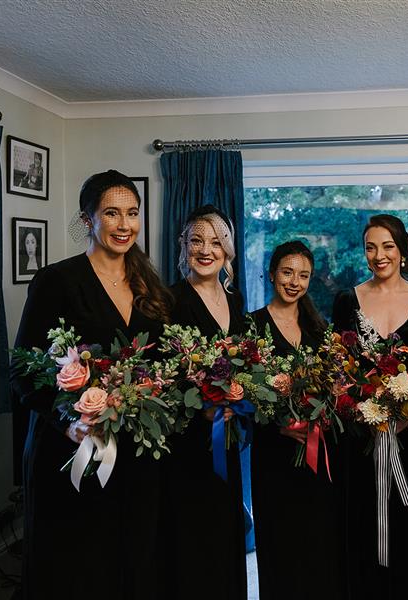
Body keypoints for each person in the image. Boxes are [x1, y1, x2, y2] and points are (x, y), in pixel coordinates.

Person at [10, 170, 173, 599]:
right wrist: (70, 423)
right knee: (79, 566)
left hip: (137, 455)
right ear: (88, 220)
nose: (124, 225)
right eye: (112, 213)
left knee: (134, 558)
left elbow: (163, 366)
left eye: (132, 214)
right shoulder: (56, 281)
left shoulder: (150, 286)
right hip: (73, 448)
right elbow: (24, 370)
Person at [331, 214, 408, 600]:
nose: (379, 255)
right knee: (362, 521)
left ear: (403, 251)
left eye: (388, 246)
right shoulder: (347, 300)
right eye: (370, 247)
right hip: (359, 438)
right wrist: (362, 408)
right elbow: (337, 368)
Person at [159, 205, 248, 600]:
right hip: (185, 442)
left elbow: (246, 364)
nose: (206, 250)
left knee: (225, 527)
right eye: (197, 240)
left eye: (216, 241)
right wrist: (203, 403)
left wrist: (237, 398)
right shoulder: (168, 301)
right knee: (191, 534)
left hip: (226, 436)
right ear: (184, 247)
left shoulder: (237, 301)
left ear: (227, 249)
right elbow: (161, 374)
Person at [249, 240, 343, 599]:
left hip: (318, 454)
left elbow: (334, 389)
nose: (295, 282)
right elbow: (248, 395)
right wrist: (279, 424)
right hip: (274, 455)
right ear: (272, 273)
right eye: (287, 272)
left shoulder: (320, 330)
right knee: (279, 542)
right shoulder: (253, 325)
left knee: (318, 543)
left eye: (303, 275)